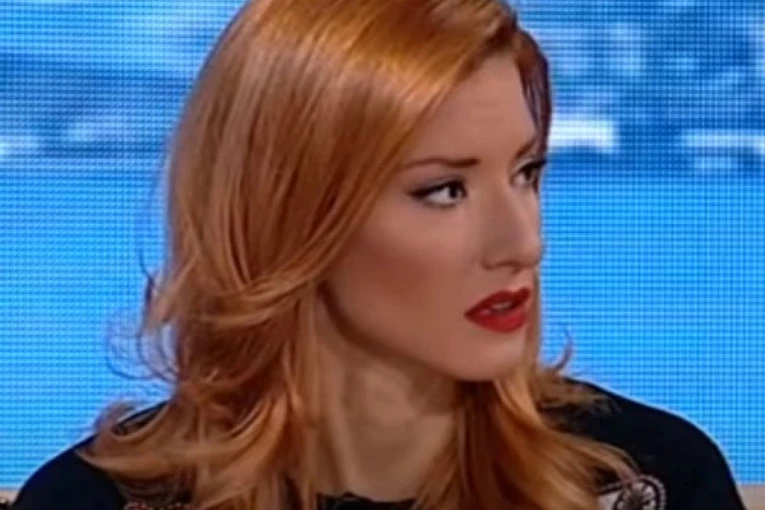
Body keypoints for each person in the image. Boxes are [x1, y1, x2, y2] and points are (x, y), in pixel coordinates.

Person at [11, 0, 746, 509]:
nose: (524, 242)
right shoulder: (92, 503)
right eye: (444, 190)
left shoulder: (655, 483)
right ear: (292, 217)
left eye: (526, 173)